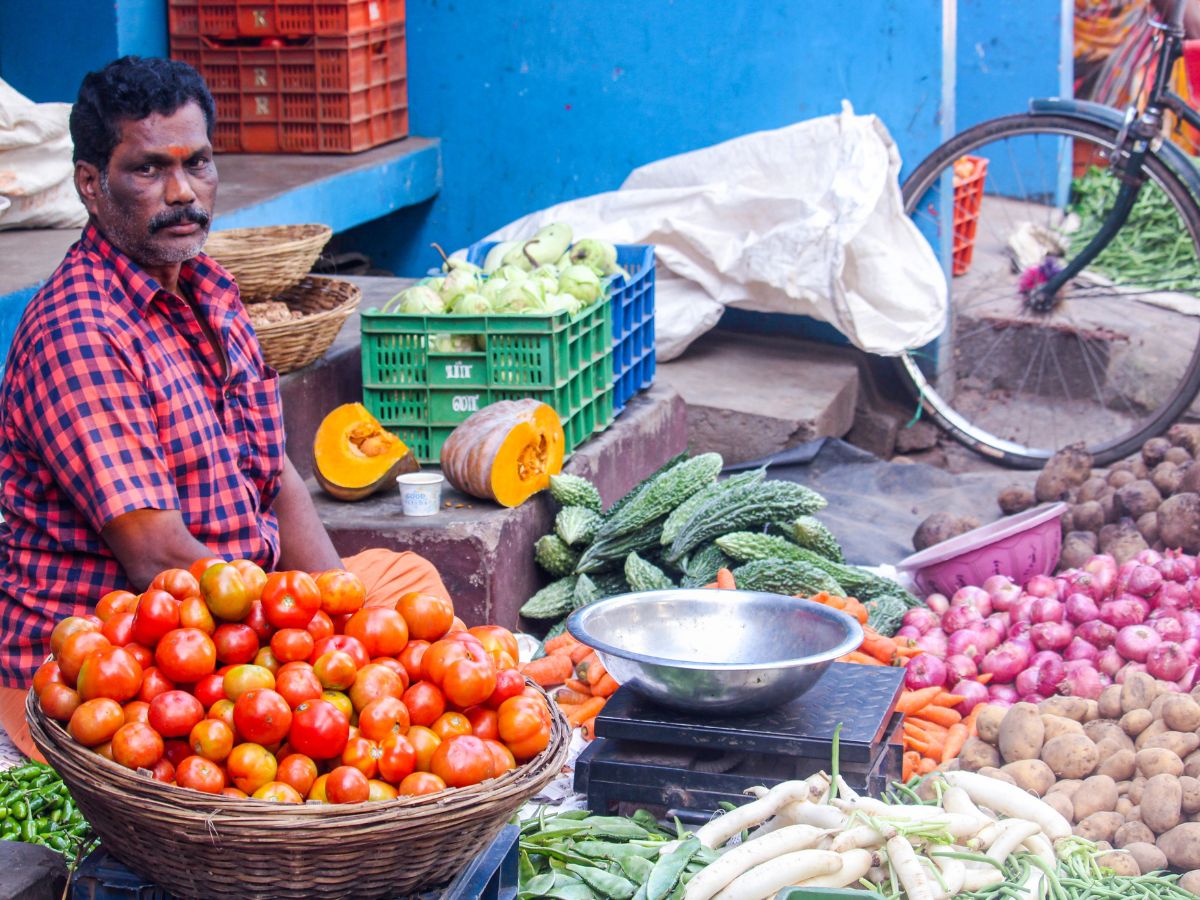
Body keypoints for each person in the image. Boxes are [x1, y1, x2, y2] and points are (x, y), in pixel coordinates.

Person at [0, 57, 448, 759]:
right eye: (148, 170)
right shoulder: (80, 332)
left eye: (198, 163)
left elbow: (276, 478)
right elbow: (158, 562)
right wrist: (305, 644)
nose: (183, 192)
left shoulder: (208, 287)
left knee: (404, 585)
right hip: (123, 660)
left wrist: (337, 614)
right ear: (92, 184)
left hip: (242, 610)